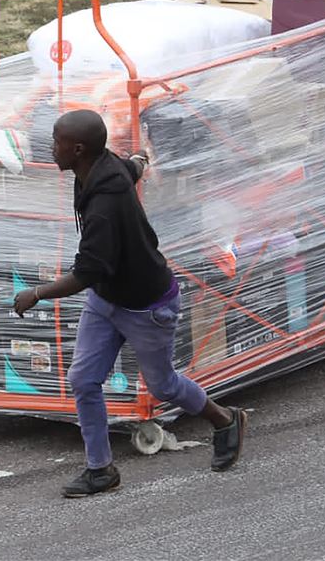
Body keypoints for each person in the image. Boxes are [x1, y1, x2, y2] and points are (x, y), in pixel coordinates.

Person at [13, 109, 246, 498]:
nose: (50, 148)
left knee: (162, 385)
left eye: (56, 142)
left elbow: (85, 273)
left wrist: (36, 293)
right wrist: (142, 158)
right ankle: (100, 469)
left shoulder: (104, 207)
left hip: (146, 305)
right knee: (83, 381)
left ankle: (225, 420)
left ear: (79, 148)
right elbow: (131, 167)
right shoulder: (101, 167)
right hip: (107, 300)